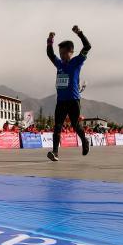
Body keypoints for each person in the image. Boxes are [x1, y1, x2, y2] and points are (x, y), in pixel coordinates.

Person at [46, 25, 91, 161]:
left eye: (64, 53)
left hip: (73, 100)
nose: (62, 56)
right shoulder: (59, 64)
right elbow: (50, 54)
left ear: (71, 52)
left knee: (75, 125)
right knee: (57, 126)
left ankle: (84, 140)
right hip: (61, 101)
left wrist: (79, 33)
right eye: (60, 54)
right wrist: (50, 40)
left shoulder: (77, 62)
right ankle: (55, 152)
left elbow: (88, 46)